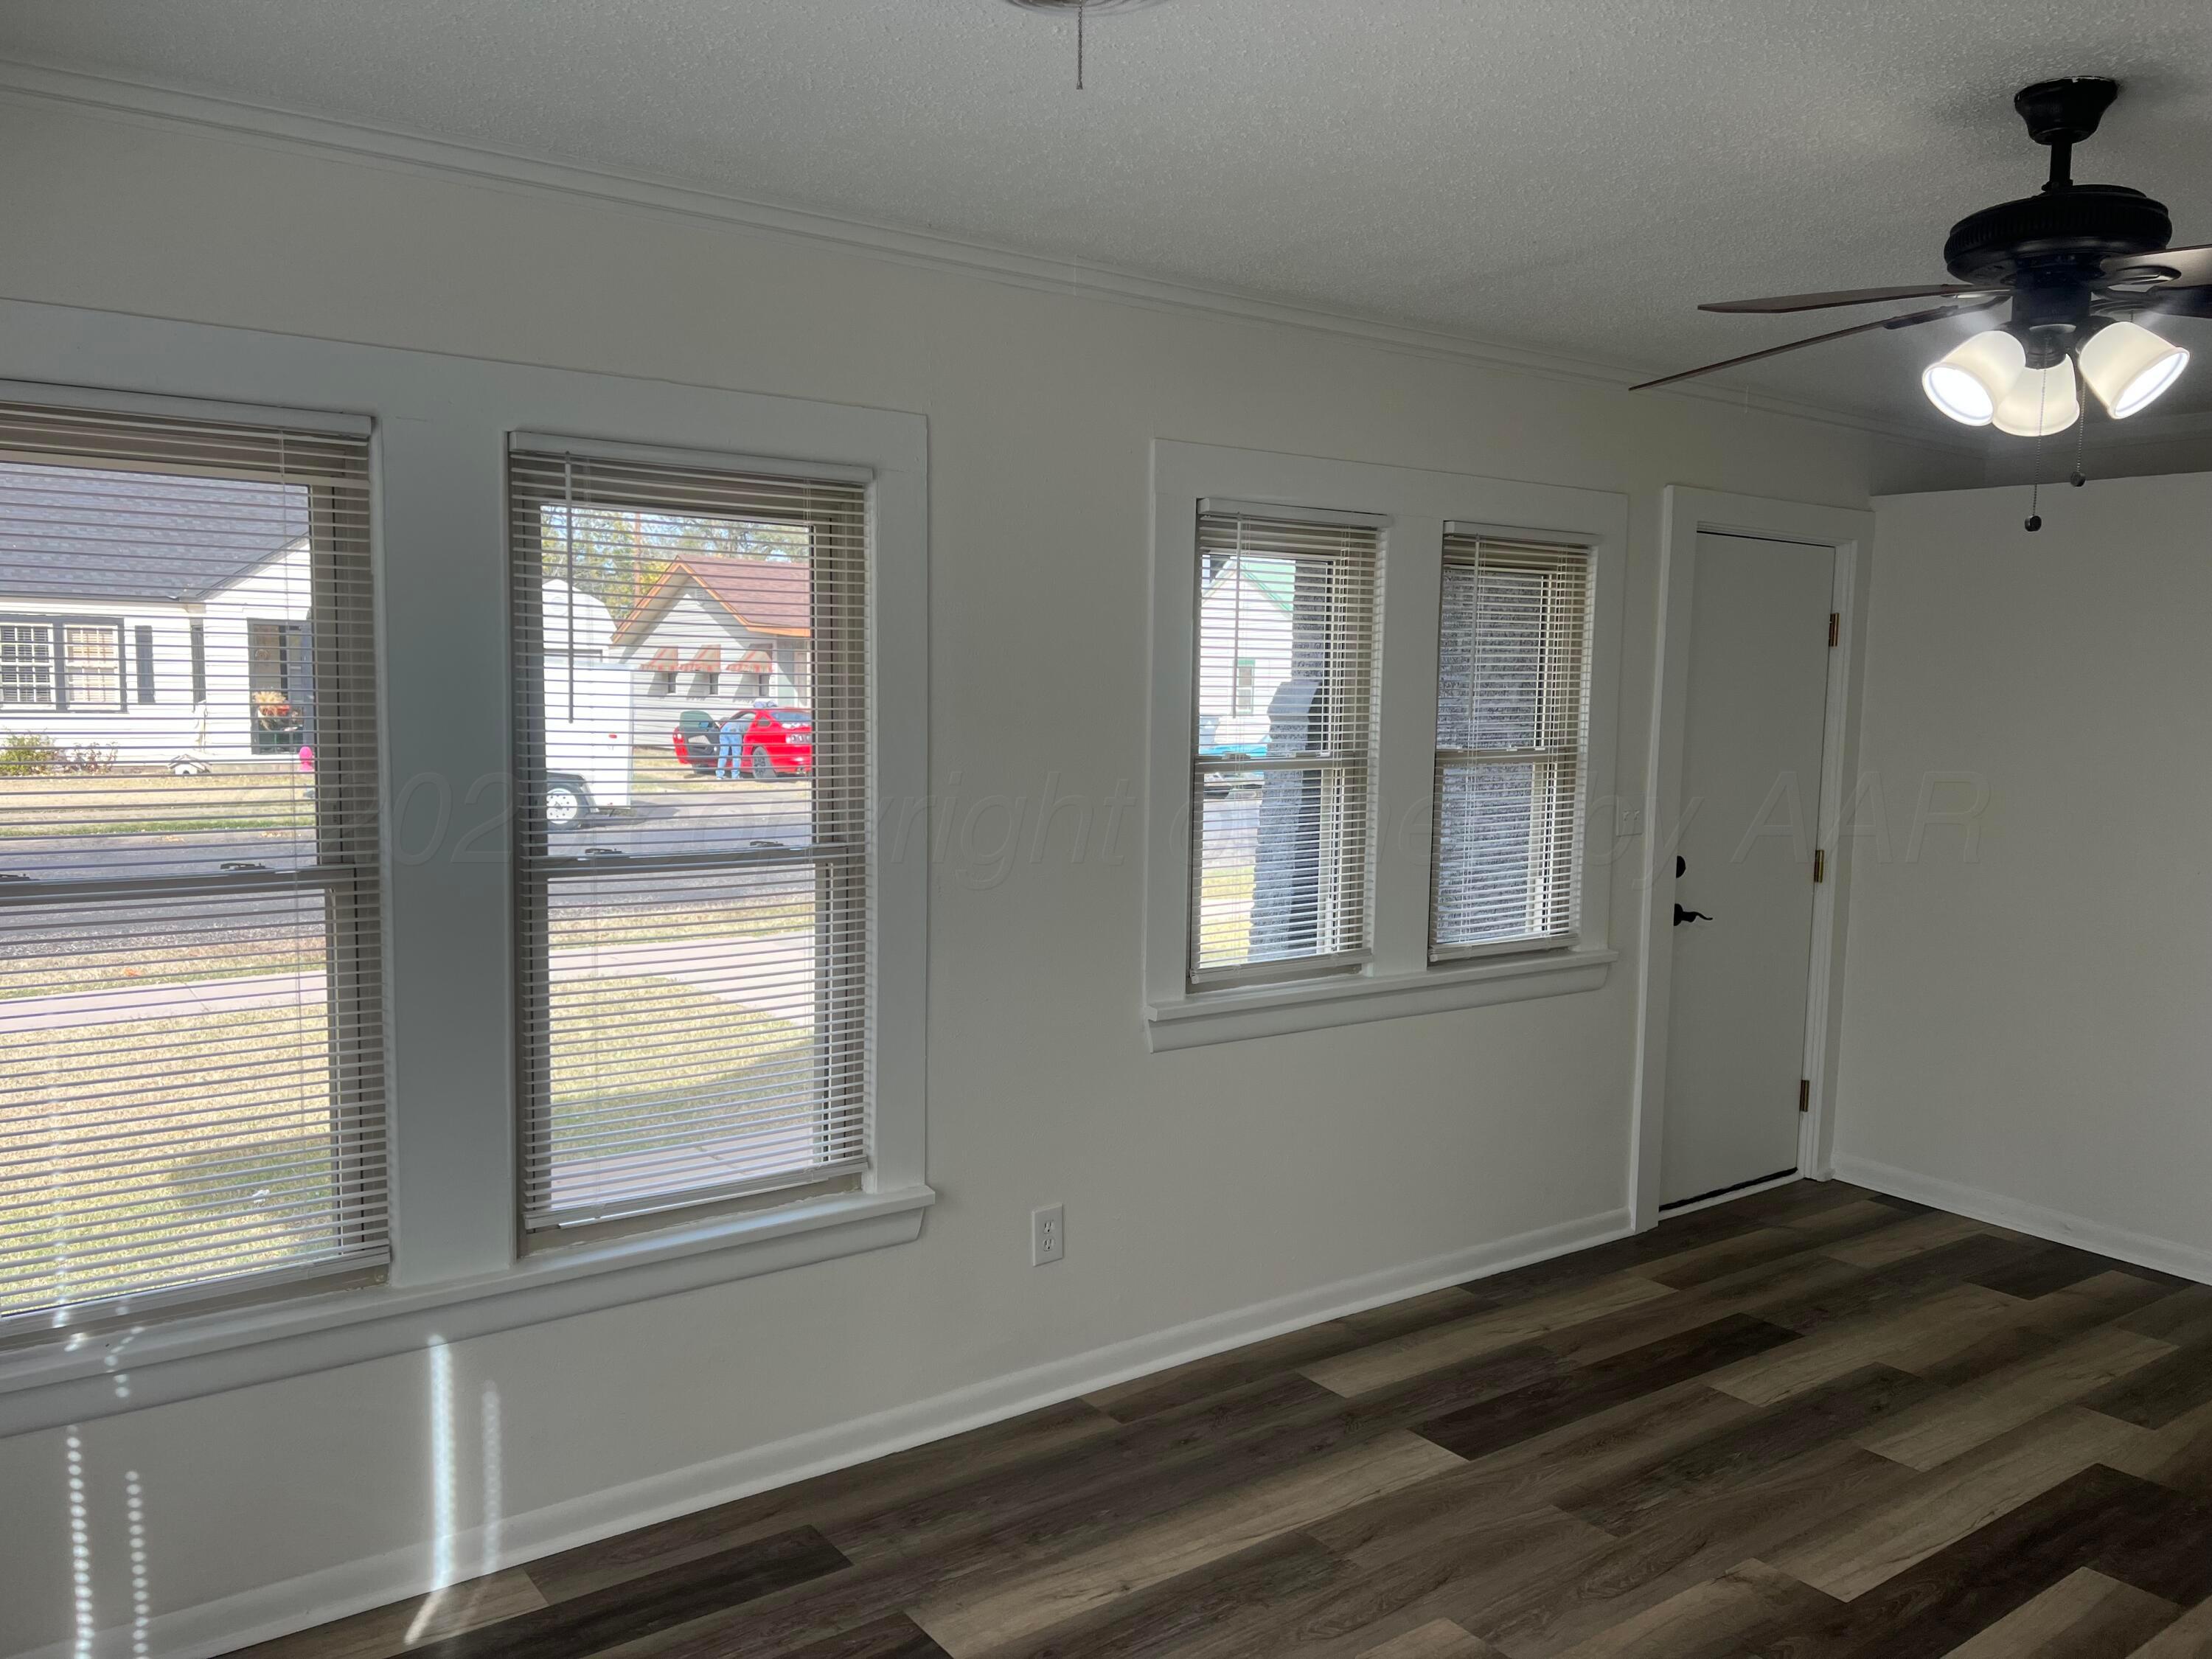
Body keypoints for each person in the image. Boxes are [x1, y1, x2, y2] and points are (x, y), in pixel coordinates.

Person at [715, 714, 743, 780]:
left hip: (723, 730)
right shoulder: (746, 723)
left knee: (723, 754)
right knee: (736, 755)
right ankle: (735, 776)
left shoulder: (725, 725)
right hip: (734, 730)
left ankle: (719, 776)